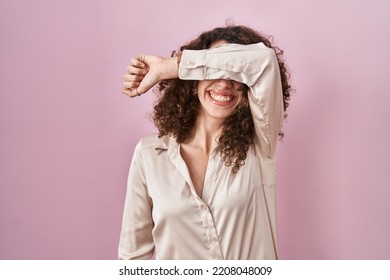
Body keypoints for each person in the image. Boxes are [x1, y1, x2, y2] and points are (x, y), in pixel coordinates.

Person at [119, 25, 291, 260]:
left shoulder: (259, 145)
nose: (224, 83)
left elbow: (264, 61)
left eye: (235, 73)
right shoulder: (149, 154)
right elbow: (132, 257)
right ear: (193, 82)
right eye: (213, 68)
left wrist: (167, 68)